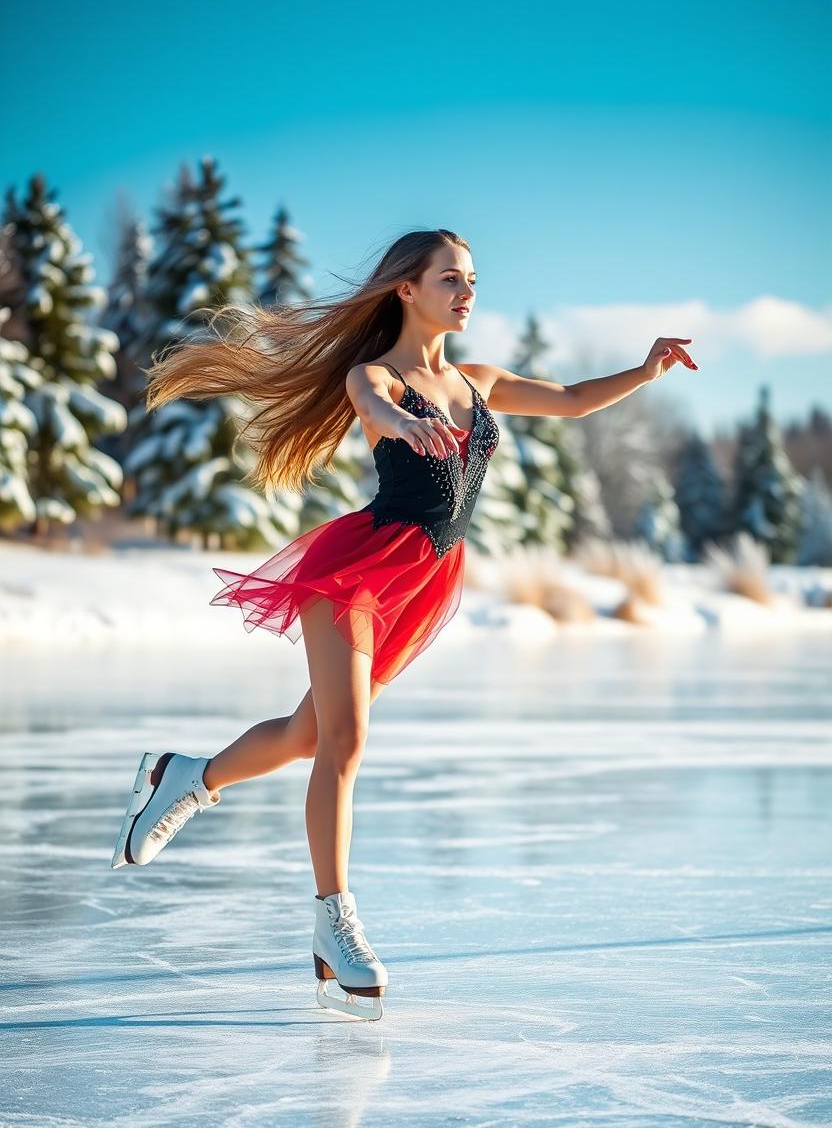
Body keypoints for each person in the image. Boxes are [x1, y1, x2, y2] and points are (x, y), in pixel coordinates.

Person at [108, 227, 697, 1020]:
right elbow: (372, 405)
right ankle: (333, 923)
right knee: (345, 742)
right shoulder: (373, 374)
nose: (467, 291)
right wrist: (401, 421)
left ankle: (187, 776)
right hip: (355, 572)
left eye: (474, 279)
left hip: (421, 584)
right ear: (406, 290)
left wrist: (647, 367)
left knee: (308, 734)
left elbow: (568, 400)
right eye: (450, 278)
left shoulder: (479, 381)